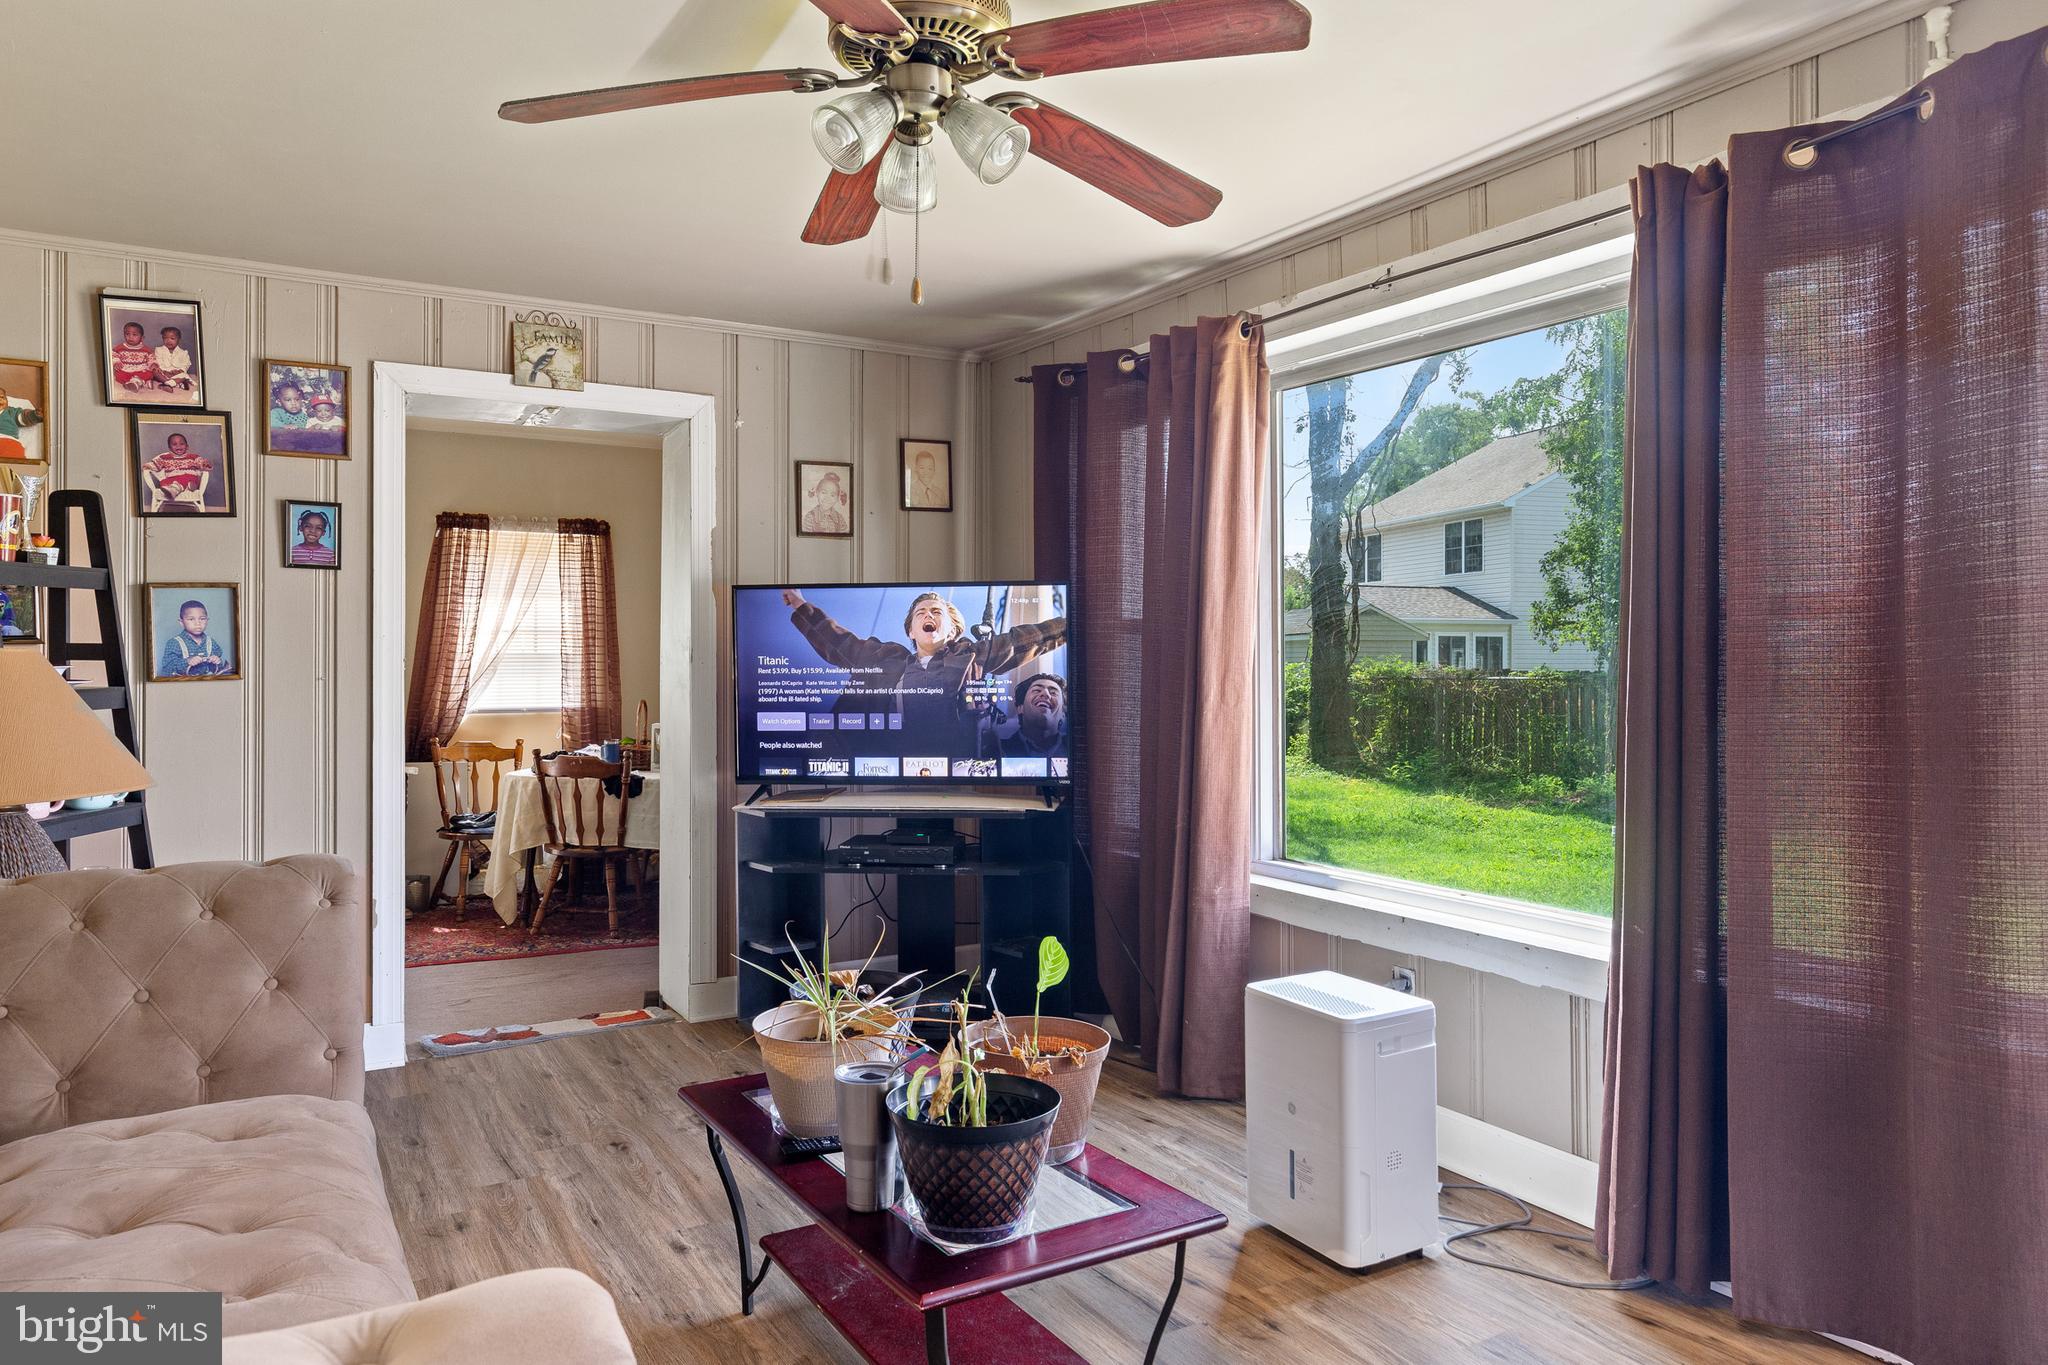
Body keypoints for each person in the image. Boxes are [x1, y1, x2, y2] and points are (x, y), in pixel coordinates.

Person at [780, 587, 1065, 757]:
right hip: (887, 759)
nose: (929, 615)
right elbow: (839, 642)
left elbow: (1022, 641)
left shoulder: (970, 655)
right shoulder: (884, 659)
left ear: (953, 630)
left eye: (936, 612)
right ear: (911, 630)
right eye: (921, 613)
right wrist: (800, 605)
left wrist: (1071, 623)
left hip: (956, 760)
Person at [985, 672, 1069, 761]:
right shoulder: (994, 750)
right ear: (1020, 708)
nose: (1045, 694)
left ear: (1063, 714)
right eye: (1037, 690)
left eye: (1053, 692)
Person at [141, 431, 213, 510]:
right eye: (174, 444)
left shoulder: (193, 457)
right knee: (163, 482)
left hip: (189, 476)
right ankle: (184, 487)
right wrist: (148, 466)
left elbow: (201, 462)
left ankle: (179, 488)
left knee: (187, 477)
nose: (178, 446)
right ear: (169, 447)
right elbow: (155, 464)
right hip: (172, 479)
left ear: (187, 446)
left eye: (182, 444)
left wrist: (205, 464)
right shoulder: (164, 457)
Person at [158, 598, 228, 677]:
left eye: (202, 619)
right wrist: (187, 661)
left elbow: (218, 669)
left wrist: (217, 661)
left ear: (207, 620)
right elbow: (167, 668)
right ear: (181, 622)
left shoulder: (211, 642)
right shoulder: (174, 643)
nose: (197, 623)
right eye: (191, 619)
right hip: (183, 686)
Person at [0, 385, 42, 461]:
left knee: (15, 456)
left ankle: (20, 471)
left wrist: (35, 415)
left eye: (2, 397)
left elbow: (23, 418)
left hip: (8, 441)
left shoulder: (10, 412)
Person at [111, 322, 155, 393]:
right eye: (127, 334)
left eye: (134, 335)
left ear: (142, 338)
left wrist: (153, 364)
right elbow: (114, 354)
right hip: (126, 369)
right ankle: (141, 383)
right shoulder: (120, 347)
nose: (130, 337)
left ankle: (136, 382)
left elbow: (151, 358)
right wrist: (116, 362)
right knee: (118, 375)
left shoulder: (146, 349)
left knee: (150, 373)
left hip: (141, 369)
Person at [801, 470, 849, 535]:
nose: (827, 498)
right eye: (824, 492)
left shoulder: (840, 519)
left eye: (832, 495)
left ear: (837, 498)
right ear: (817, 492)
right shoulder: (810, 517)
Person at [153, 325, 197, 395]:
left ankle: (168, 384)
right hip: (164, 372)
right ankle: (173, 383)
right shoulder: (159, 350)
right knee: (154, 372)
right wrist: (163, 370)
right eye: (165, 338)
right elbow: (158, 361)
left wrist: (180, 370)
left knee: (184, 375)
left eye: (172, 338)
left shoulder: (183, 352)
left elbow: (186, 363)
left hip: (177, 373)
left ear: (179, 339)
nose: (168, 341)